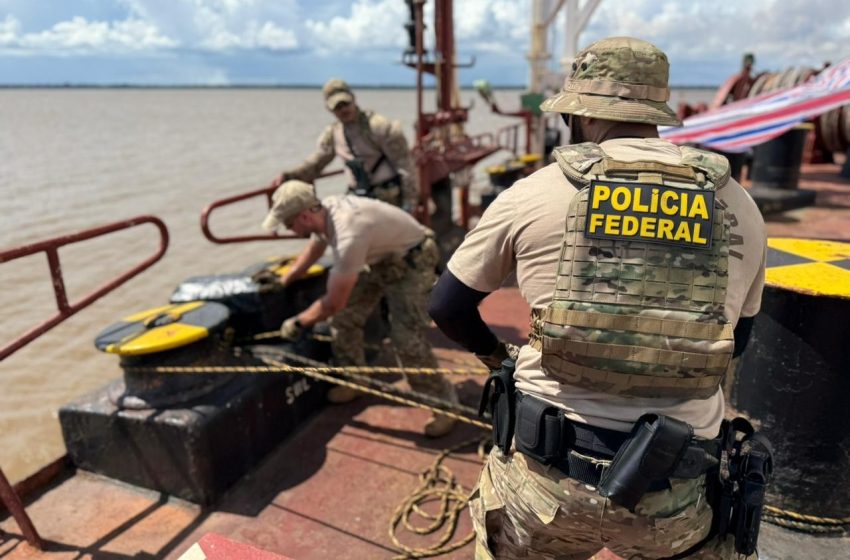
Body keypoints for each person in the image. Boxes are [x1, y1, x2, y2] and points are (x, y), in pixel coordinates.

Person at [428, 37, 767, 558]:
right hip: (674, 489)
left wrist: (500, 359)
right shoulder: (739, 204)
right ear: (656, 112)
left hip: (545, 485)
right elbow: (736, 341)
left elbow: (447, 306)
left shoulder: (534, 192)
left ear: (579, 116)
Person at [262, 180, 458, 438]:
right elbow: (315, 246)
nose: (289, 230)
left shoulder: (348, 234)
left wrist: (298, 322)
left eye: (289, 224)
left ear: (305, 215)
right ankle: (356, 378)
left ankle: (444, 403)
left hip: (413, 261)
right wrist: (285, 279)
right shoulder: (324, 211)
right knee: (344, 319)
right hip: (381, 259)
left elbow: (333, 302)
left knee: (405, 339)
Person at [272, 78, 419, 212]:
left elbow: (405, 167)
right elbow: (317, 163)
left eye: (345, 104)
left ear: (354, 99)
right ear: (329, 109)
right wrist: (289, 176)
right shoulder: (334, 133)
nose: (343, 110)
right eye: (337, 107)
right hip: (358, 197)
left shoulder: (380, 126)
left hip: (388, 198)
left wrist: (409, 204)